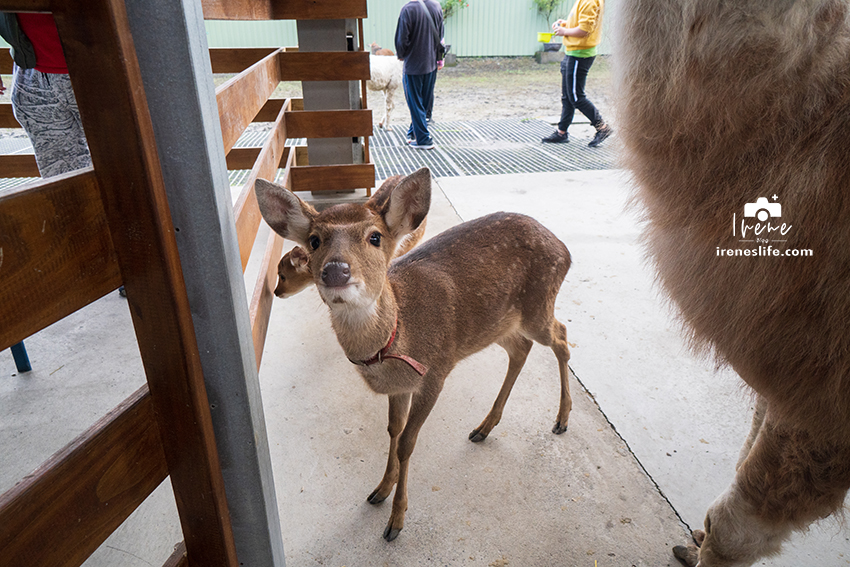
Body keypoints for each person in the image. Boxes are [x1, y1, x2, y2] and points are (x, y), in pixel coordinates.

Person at [541, 0, 613, 148]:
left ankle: (602, 128)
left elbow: (585, 30)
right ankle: (562, 133)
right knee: (567, 96)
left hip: (580, 54)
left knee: (576, 96)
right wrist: (566, 24)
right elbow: (581, 24)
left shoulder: (590, 1)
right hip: (572, 52)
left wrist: (564, 32)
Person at [395, 0, 443, 150]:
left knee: (415, 102)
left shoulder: (408, 9)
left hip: (414, 65)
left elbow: (402, 39)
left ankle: (423, 140)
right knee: (424, 101)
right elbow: (441, 34)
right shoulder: (436, 6)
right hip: (431, 63)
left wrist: (401, 54)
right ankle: (414, 133)